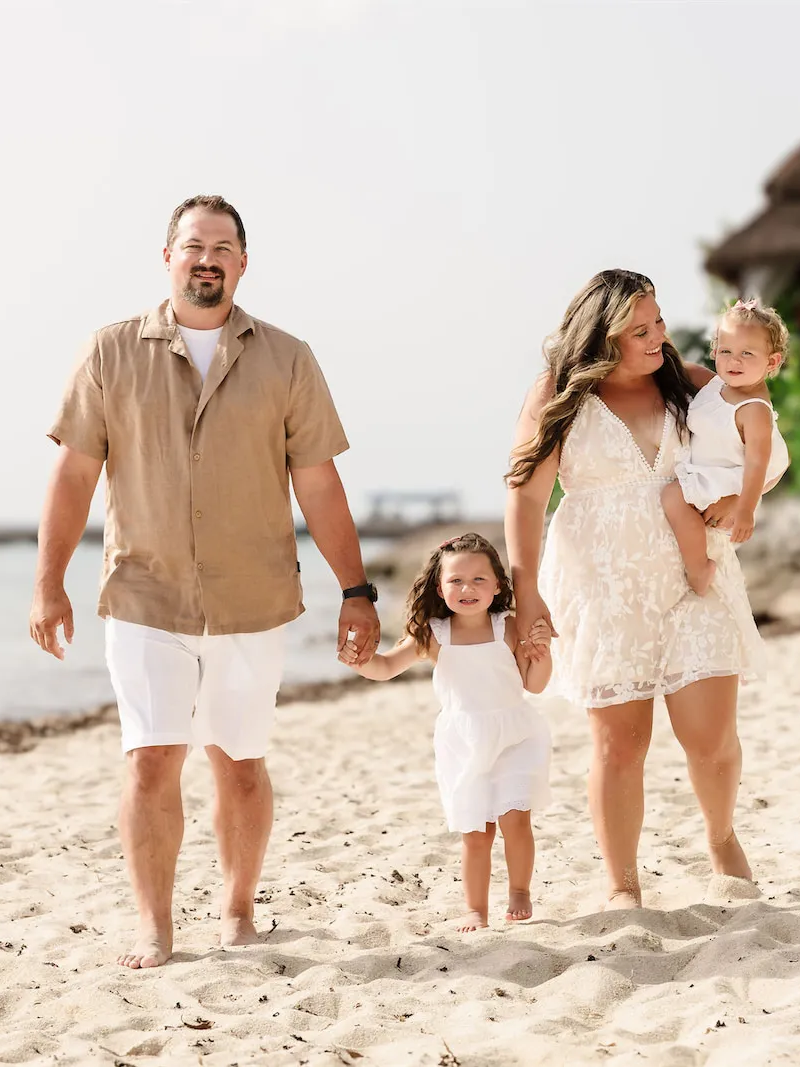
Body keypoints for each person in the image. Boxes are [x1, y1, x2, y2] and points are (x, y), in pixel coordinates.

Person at [28, 194, 381, 965]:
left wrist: (356, 591)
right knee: (151, 754)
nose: (207, 257)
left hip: (252, 597)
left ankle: (238, 909)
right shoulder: (110, 352)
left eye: (223, 246)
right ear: (168, 258)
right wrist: (48, 581)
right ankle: (155, 924)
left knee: (239, 759)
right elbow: (74, 473)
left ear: (244, 262)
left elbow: (318, 484)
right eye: (192, 244)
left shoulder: (289, 358)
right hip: (144, 594)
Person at [504, 269, 767, 911]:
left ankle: (721, 837)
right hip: (603, 587)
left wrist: (738, 503)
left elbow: (764, 447)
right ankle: (623, 886)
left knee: (711, 738)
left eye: (659, 322)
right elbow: (528, 495)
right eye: (640, 329)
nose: (659, 337)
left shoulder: (697, 387)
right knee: (620, 744)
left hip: (694, 578)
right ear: (603, 337)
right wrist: (526, 591)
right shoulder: (555, 395)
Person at [342, 533, 553, 931]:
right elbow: (386, 668)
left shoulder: (507, 627)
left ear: (498, 586)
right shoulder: (433, 633)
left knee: (515, 818)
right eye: (456, 580)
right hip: (463, 742)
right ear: (440, 587)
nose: (467, 588)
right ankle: (476, 909)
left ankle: (520, 891)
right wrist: (361, 661)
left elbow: (535, 684)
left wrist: (542, 654)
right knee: (476, 831)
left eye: (478, 580)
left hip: (514, 734)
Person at [662, 298, 792, 594]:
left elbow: (761, 462)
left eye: (747, 353)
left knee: (672, 497)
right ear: (714, 352)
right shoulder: (716, 385)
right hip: (704, 474)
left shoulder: (753, 409)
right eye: (726, 351)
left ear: (771, 362)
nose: (734, 361)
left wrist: (745, 509)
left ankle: (699, 567)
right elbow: (672, 364)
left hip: (724, 484)